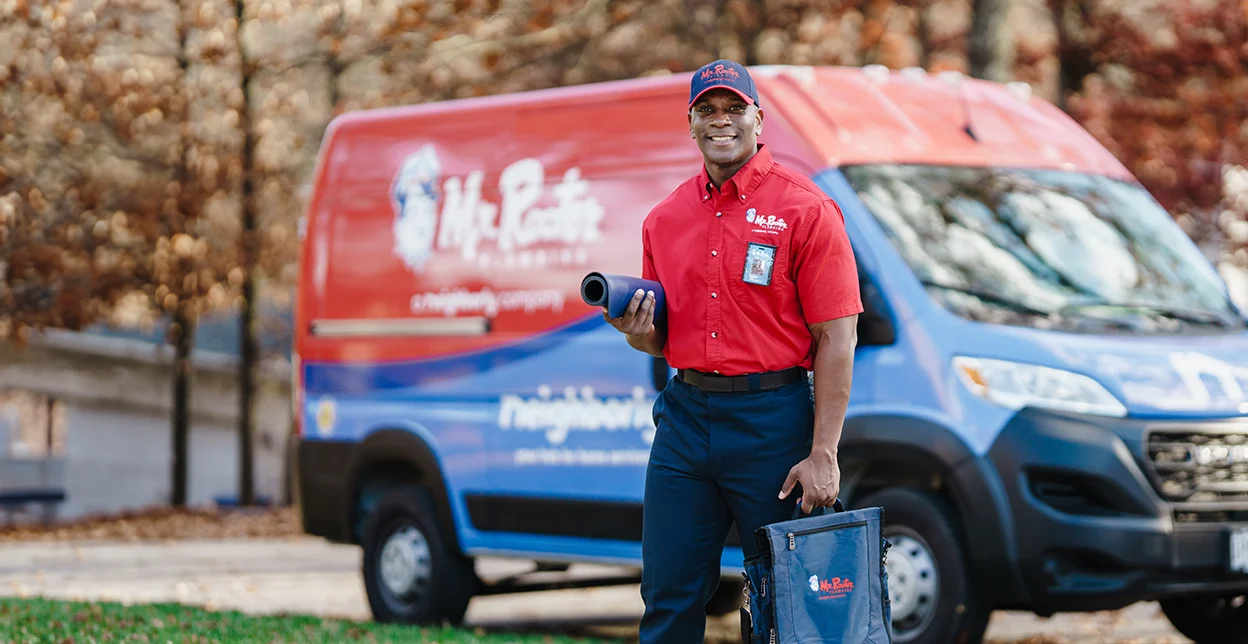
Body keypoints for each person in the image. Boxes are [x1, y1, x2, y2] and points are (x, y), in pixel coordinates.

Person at [601, 59, 863, 643]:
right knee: (667, 594)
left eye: (733, 109)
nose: (721, 121)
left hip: (773, 422)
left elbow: (837, 338)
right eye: (707, 111)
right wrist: (636, 332)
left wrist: (824, 452)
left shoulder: (807, 209)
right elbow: (659, 337)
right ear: (690, 124)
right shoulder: (664, 219)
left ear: (758, 118)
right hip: (685, 421)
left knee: (780, 600)